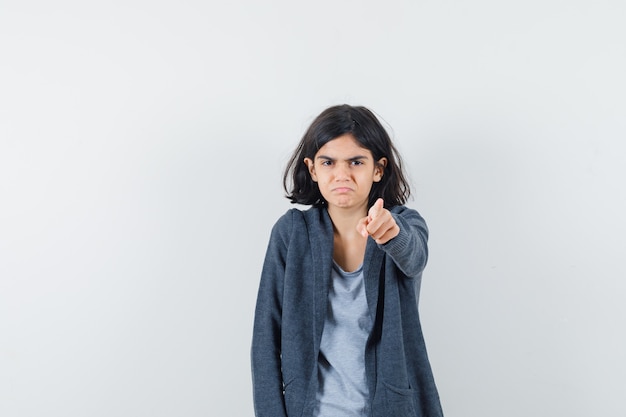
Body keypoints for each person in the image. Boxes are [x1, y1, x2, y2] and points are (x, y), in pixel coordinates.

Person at [251, 104, 443, 417]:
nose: (342, 174)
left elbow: (414, 257)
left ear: (378, 169)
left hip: (392, 407)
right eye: (328, 162)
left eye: (356, 162)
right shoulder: (291, 233)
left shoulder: (405, 224)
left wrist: (392, 234)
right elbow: (265, 340)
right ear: (312, 169)